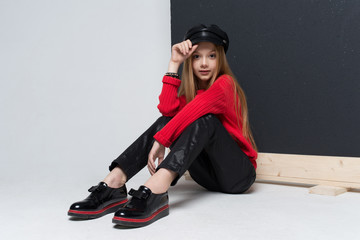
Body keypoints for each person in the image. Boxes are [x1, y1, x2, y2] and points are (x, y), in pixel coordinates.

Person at [68, 24, 258, 228]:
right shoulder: (191, 95)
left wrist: (161, 140)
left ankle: (156, 190)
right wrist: (174, 64)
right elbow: (167, 111)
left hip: (238, 175)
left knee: (205, 120)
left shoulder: (225, 84)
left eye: (211, 56)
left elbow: (197, 110)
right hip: (207, 177)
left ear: (220, 59)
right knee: (166, 121)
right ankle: (114, 182)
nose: (204, 63)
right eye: (196, 57)